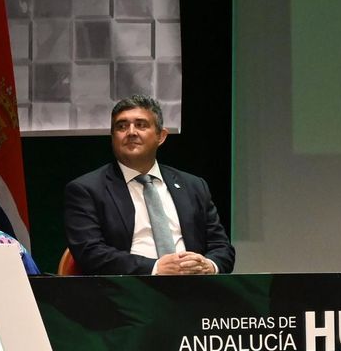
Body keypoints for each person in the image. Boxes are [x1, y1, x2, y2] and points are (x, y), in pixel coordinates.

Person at [63, 94, 234, 276]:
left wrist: (209, 265)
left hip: (195, 289)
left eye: (141, 125)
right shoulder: (86, 189)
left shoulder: (194, 186)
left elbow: (222, 247)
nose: (131, 132)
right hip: (128, 293)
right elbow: (90, 253)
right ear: (112, 137)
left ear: (161, 136)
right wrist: (156, 268)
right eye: (121, 126)